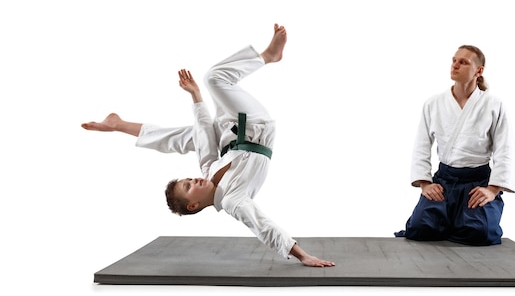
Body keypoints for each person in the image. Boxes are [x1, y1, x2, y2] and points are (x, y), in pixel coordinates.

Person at [82, 24, 335, 268]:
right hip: (258, 128)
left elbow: (203, 130)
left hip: (232, 126)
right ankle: (268, 56)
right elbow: (262, 226)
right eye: (189, 186)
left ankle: (119, 124)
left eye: (187, 180)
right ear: (194, 205)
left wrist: (195, 96)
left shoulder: (208, 168)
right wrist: (302, 255)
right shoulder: (233, 201)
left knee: (190, 137)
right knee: (213, 78)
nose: (193, 180)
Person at [394, 45, 515, 246]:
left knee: (481, 233)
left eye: (463, 62)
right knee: (419, 228)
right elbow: (421, 146)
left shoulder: (494, 104)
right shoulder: (434, 103)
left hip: (477, 182)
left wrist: (492, 190)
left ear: (479, 71)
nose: (455, 65)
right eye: (454, 60)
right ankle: (454, 219)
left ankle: (457, 220)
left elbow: (505, 149)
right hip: (444, 180)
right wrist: (425, 183)